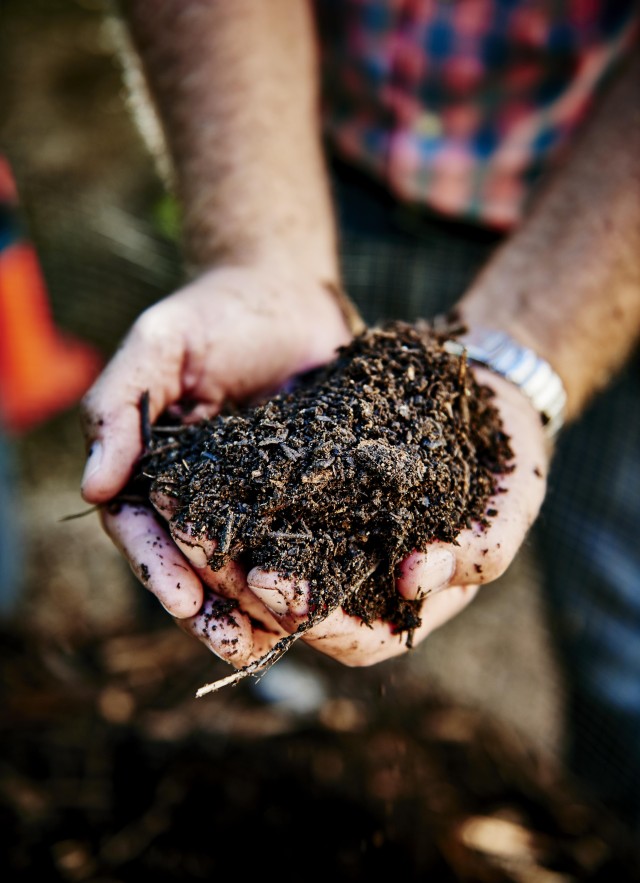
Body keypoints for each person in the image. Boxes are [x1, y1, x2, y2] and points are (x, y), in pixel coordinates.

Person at [80, 2, 639, 828]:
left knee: (623, 640)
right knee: (204, 598)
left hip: (605, 225)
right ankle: (187, 800)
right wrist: (258, 254)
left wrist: (531, 348)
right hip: (297, 152)